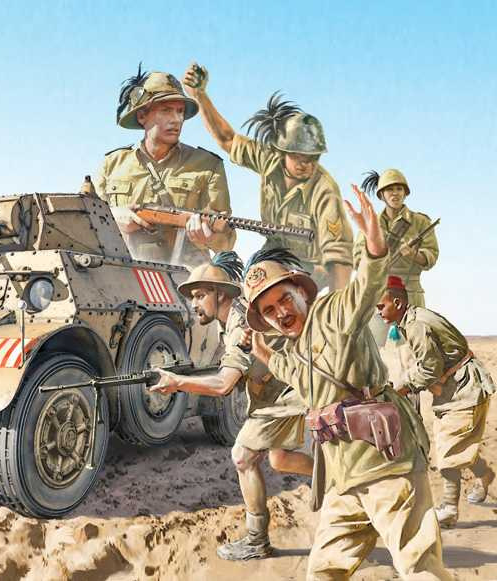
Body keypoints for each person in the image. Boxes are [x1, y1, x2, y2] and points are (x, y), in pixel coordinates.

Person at [242, 185, 449, 580]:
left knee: (420, 568)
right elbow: (295, 374)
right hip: (343, 478)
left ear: (301, 291)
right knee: (323, 572)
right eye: (268, 311)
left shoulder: (333, 312)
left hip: (386, 465)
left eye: (283, 299)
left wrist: (373, 248)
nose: (280, 313)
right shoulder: (296, 348)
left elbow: (365, 288)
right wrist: (266, 356)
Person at [149, 251, 312, 560]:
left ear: (220, 294)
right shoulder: (234, 316)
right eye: (192, 297)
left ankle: (256, 540)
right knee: (279, 460)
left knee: (242, 456)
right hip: (281, 391)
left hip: (285, 395)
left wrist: (177, 382)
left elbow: (224, 385)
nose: (193, 303)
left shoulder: (240, 323)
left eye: (200, 295)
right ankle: (337, 478)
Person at [181, 63, 352, 290]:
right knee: (249, 283)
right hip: (273, 255)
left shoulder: (324, 190)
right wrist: (199, 96)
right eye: (299, 156)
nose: (306, 164)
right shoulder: (269, 160)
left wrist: (337, 305)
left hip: (311, 267)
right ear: (282, 152)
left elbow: (339, 259)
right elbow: (227, 139)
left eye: (313, 158)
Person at [378, 275, 497, 528]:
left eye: (381, 306)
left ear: (397, 303)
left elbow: (429, 369)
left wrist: (399, 388)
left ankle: (449, 509)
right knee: (458, 446)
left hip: (463, 391)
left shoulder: (416, 325)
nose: (378, 312)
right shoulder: (411, 320)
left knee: (447, 452)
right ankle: (485, 474)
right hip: (458, 389)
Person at [91, 65, 236, 266]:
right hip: (125, 273)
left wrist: (208, 238)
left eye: (180, 111)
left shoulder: (208, 165)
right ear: (142, 116)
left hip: (185, 278)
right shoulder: (113, 164)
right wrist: (114, 217)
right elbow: (84, 218)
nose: (176, 120)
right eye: (166, 110)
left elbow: (227, 239)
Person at [355, 169, 439, 307]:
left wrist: (414, 254)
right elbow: (357, 259)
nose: (395, 193)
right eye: (390, 189)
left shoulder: (420, 222)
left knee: (413, 322)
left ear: (405, 193)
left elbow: (432, 255)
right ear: (381, 195)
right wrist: (376, 257)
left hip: (410, 293)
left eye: (399, 189)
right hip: (378, 293)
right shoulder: (371, 224)